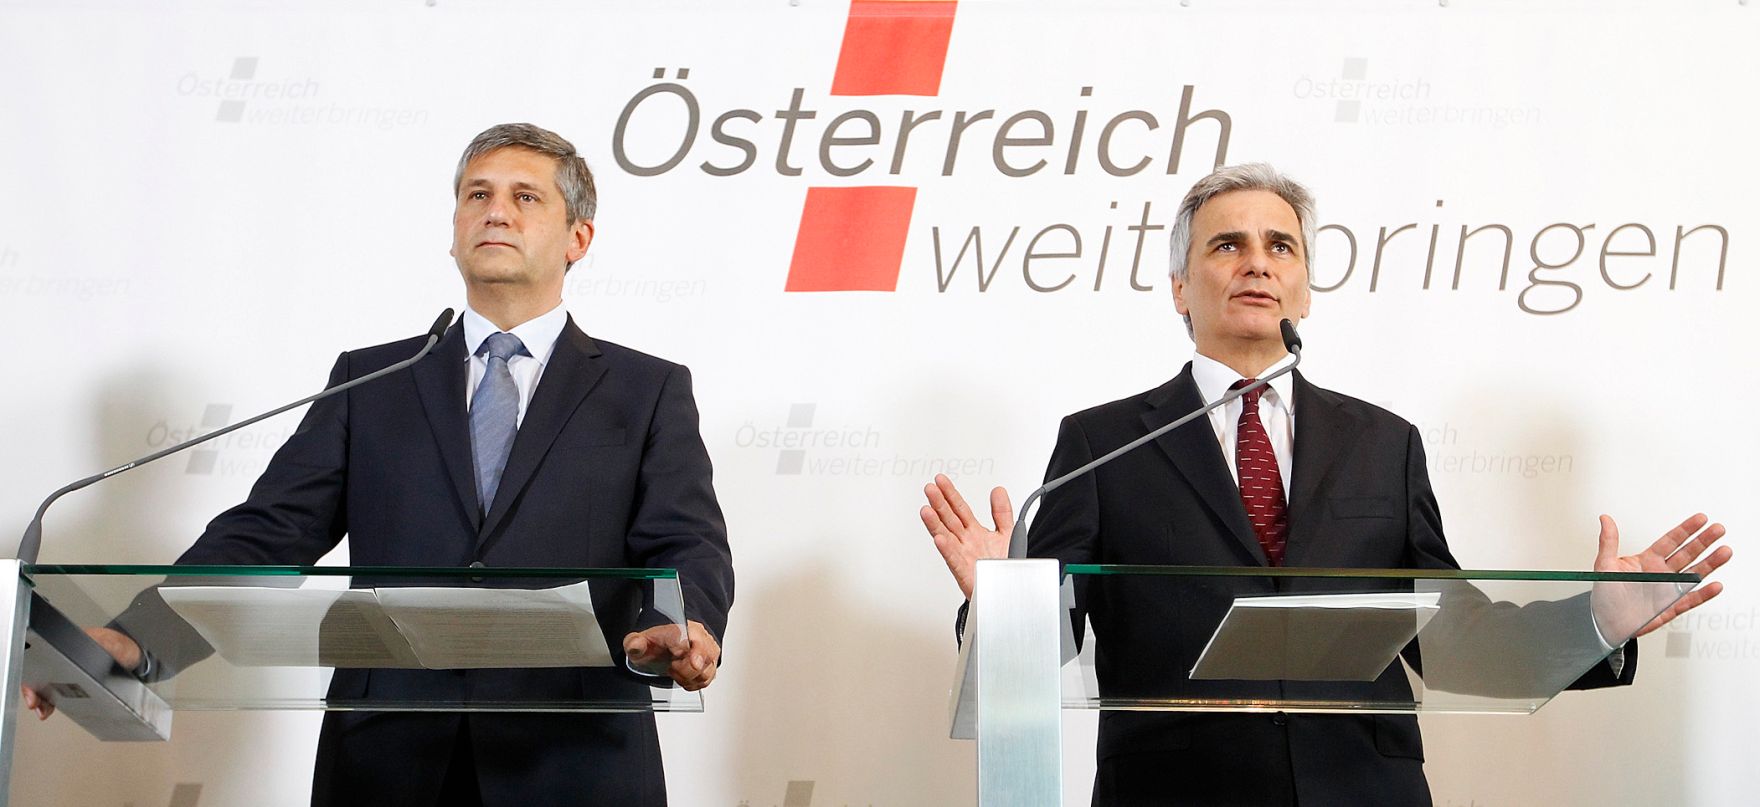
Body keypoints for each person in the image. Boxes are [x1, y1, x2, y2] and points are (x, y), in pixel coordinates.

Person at [919, 163, 1731, 806]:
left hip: (1364, 790)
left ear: (1304, 286)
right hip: (1175, 791)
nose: (1256, 264)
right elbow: (1048, 643)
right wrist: (1002, 602)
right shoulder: (1102, 443)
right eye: (1226, 245)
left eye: (1281, 246)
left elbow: (1455, 639)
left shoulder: (1385, 442)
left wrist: (1598, 619)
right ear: (1178, 287)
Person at [25, 123, 733, 807]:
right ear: (454, 229)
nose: (495, 212)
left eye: (526, 196)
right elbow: (267, 534)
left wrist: (688, 625)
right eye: (476, 194)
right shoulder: (373, 381)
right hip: (387, 762)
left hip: (573, 760)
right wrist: (136, 635)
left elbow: (686, 541)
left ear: (579, 237)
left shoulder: (646, 390)